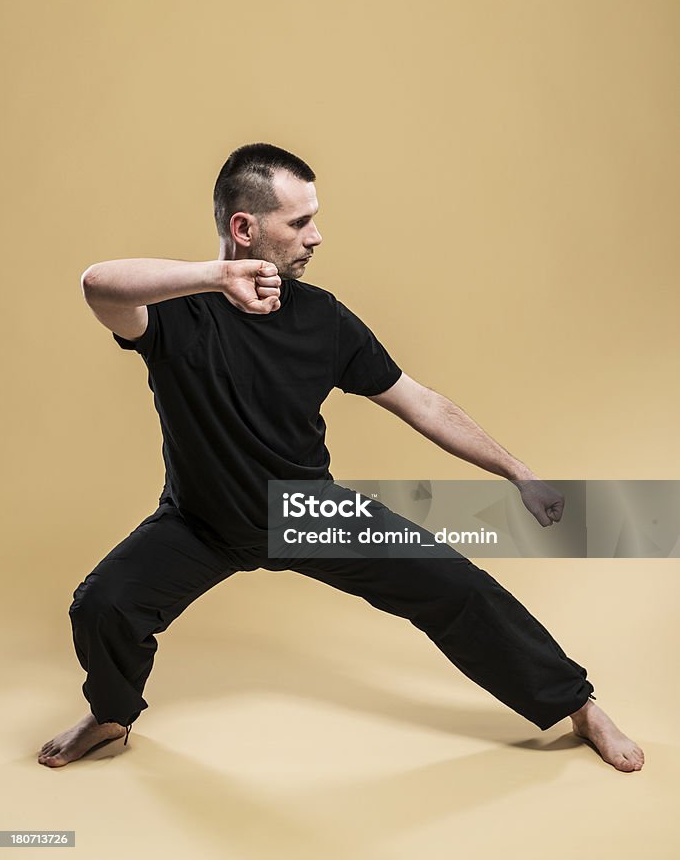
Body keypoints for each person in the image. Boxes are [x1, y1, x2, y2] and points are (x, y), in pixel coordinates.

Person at [38, 143, 644, 773]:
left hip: (306, 512)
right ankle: (110, 715)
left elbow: (422, 403)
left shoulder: (323, 319)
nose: (316, 237)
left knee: (458, 587)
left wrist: (518, 472)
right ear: (244, 228)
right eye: (299, 222)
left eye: (314, 218)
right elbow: (97, 285)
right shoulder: (174, 312)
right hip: (201, 523)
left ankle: (580, 707)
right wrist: (215, 276)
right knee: (103, 604)